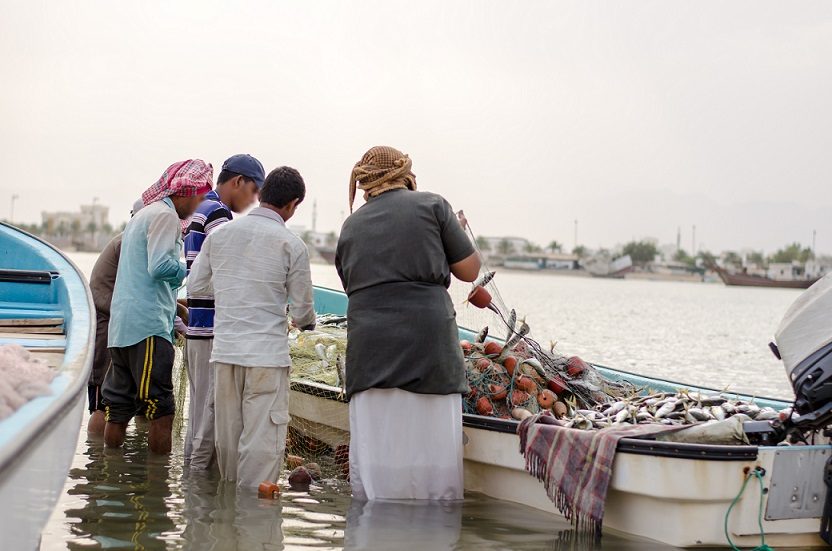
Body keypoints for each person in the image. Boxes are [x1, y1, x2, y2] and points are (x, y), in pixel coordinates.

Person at [335, 146, 481, 501]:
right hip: (428, 345)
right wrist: (459, 235)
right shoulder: (433, 206)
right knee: (432, 449)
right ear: (406, 174)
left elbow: (351, 282)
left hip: (370, 351)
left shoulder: (351, 225)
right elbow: (470, 272)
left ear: (366, 183)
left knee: (378, 449)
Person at [188, 166, 316, 488]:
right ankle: (256, 530)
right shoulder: (292, 245)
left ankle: (228, 524)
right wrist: (305, 323)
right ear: (293, 204)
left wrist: (234, 291)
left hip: (225, 355)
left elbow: (196, 287)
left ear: (261, 195)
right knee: (260, 453)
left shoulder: (220, 235)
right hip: (266, 359)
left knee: (229, 448)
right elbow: (303, 314)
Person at [102, 159, 213, 454]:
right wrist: (194, 268)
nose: (200, 204)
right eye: (200, 197)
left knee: (118, 407)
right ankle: (157, 489)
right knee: (162, 410)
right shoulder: (165, 216)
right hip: (148, 328)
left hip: (122, 328)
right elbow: (160, 266)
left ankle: (110, 478)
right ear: (186, 192)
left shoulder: (142, 215)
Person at [183, 154, 264, 469]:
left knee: (198, 413)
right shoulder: (218, 213)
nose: (255, 200)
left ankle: (191, 488)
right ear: (238, 182)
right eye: (254, 191)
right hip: (210, 327)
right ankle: (199, 490)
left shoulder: (200, 208)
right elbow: (223, 273)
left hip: (197, 328)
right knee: (209, 415)